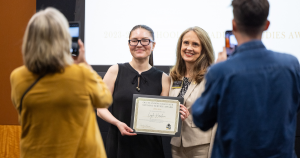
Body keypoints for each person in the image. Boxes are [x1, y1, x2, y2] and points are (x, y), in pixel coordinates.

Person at [192, 0, 300, 158]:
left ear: (234, 25)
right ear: (267, 25)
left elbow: (201, 119)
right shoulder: (291, 64)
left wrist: (215, 71)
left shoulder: (221, 71)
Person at [10, 8, 112, 158]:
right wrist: (85, 64)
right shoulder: (81, 73)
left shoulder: (17, 76)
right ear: (64, 40)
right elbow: (105, 99)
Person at [97, 25, 171, 158]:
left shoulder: (164, 78)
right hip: (119, 144)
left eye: (145, 40)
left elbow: (164, 115)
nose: (139, 44)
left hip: (150, 148)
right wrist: (117, 123)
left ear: (153, 45)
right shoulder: (115, 70)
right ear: (128, 44)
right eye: (134, 40)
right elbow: (100, 109)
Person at [169, 26, 217, 158]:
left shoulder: (211, 77)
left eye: (195, 44)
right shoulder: (174, 76)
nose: (189, 48)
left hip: (201, 146)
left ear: (204, 49)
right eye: (186, 43)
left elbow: (216, 115)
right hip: (176, 145)